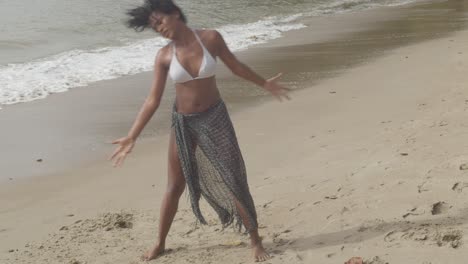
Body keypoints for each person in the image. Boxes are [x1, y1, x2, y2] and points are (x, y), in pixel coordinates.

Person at [110, 0, 290, 262]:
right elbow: (153, 100)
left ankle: (255, 241)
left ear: (175, 14)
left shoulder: (210, 38)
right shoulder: (164, 56)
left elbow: (236, 66)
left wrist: (264, 83)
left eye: (160, 21)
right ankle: (160, 243)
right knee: (174, 185)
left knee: (234, 178)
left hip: (215, 117)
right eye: (153, 27)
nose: (158, 28)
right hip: (183, 123)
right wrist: (132, 135)